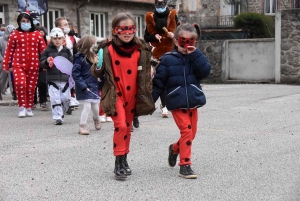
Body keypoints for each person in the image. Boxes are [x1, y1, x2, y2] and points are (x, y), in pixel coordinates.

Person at [91, 12, 155, 180]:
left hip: (133, 95)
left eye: (131, 28)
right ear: (115, 31)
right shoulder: (107, 49)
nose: (127, 32)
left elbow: (148, 68)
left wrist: (152, 70)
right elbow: (97, 73)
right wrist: (97, 66)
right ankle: (118, 163)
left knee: (128, 127)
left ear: (135, 30)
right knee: (120, 126)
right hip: (115, 93)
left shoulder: (141, 48)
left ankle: (124, 160)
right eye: (122, 29)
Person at [151, 23, 211, 179]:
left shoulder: (196, 57)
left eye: (190, 42)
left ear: (195, 42)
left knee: (192, 134)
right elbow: (158, 83)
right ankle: (185, 165)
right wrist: (150, 101)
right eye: (183, 41)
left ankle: (175, 148)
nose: (187, 45)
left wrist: (195, 54)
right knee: (186, 131)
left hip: (193, 100)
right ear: (176, 41)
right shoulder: (167, 59)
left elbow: (205, 72)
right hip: (177, 102)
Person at [2, 12, 46, 117]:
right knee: (20, 84)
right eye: (23, 21)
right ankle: (21, 106)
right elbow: (9, 50)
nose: (25, 23)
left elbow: (43, 51)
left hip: (33, 65)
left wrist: (45, 64)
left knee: (31, 87)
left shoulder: (37, 34)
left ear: (31, 22)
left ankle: (29, 107)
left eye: (27, 21)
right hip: (18, 64)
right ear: (19, 22)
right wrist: (6, 64)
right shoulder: (14, 34)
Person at [144, 0, 178, 119]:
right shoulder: (150, 18)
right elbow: (145, 37)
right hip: (157, 54)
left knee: (170, 81)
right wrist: (154, 36)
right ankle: (164, 106)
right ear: (155, 5)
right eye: (158, 4)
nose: (160, 6)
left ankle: (169, 103)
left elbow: (179, 34)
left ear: (166, 5)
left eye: (162, 4)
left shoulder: (172, 15)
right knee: (160, 81)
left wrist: (173, 36)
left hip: (171, 52)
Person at [40, 27, 73, 125]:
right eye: (55, 38)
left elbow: (71, 63)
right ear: (51, 39)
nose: (57, 40)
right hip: (52, 79)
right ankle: (57, 116)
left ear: (63, 39)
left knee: (65, 99)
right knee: (55, 99)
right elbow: (41, 63)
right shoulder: (47, 51)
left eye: (59, 38)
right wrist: (46, 62)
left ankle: (62, 111)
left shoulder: (67, 51)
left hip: (65, 79)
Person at [72, 35, 101, 135]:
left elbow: (100, 71)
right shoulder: (79, 59)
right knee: (87, 106)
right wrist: (83, 86)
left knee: (95, 106)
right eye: (94, 45)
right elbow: (75, 74)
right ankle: (82, 126)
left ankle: (96, 119)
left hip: (94, 85)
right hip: (84, 87)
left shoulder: (96, 58)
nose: (95, 46)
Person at [55, 17, 79, 111]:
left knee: (71, 81)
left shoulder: (71, 38)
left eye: (67, 24)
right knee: (61, 82)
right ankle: (61, 100)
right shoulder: (56, 38)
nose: (67, 26)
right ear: (59, 27)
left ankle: (71, 98)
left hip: (70, 62)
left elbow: (76, 48)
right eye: (64, 25)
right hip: (60, 63)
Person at [33, 26, 49, 110]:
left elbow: (47, 52)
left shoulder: (46, 41)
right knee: (33, 84)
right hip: (33, 64)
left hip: (42, 64)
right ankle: (33, 101)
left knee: (42, 82)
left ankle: (43, 101)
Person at [0, 25, 15, 100]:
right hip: (3, 62)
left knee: (12, 79)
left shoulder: (14, 40)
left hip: (12, 62)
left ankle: (14, 93)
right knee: (2, 79)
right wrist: (2, 60)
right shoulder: (1, 40)